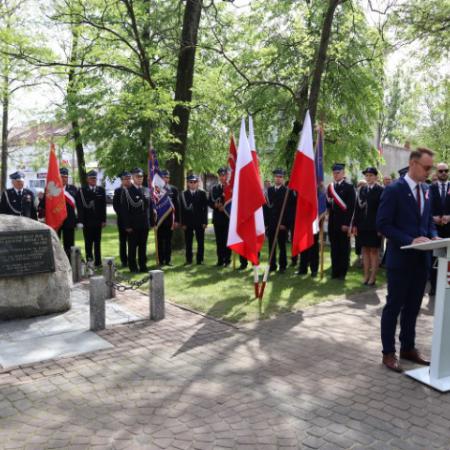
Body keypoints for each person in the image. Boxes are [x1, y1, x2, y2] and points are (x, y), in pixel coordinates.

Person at [376, 147, 438, 372]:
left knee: (413, 307)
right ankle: (388, 353)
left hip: (421, 261)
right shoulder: (395, 190)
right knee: (394, 306)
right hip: (400, 260)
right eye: (427, 167)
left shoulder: (427, 190)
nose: (429, 172)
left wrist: (434, 235)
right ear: (413, 163)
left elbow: (428, 221)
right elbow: (383, 224)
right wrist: (411, 239)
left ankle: (408, 347)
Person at [353, 167, 383, 286]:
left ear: (376, 177)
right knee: (364, 250)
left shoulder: (381, 190)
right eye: (367, 175)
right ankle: (365, 276)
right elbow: (357, 209)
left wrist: (381, 227)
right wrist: (355, 225)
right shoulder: (362, 190)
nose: (368, 177)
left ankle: (373, 277)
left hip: (374, 226)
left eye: (371, 175)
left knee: (374, 251)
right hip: (362, 226)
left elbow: (382, 210)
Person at [120, 168, 153, 273]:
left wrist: (152, 222)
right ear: (133, 178)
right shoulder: (127, 192)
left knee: (143, 247)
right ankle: (133, 267)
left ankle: (143, 265)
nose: (140, 179)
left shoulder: (147, 190)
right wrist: (127, 226)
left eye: (141, 176)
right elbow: (125, 211)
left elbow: (150, 208)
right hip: (133, 225)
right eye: (137, 177)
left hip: (144, 224)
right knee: (132, 247)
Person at [326, 163, 356, 280]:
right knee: (334, 248)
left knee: (343, 248)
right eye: (334, 173)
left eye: (338, 172)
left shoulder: (349, 187)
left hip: (343, 223)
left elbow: (351, 207)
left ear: (343, 173)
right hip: (332, 223)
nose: (335, 175)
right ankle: (335, 271)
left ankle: (342, 272)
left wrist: (346, 224)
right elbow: (329, 204)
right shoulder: (331, 187)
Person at [264, 168, 292, 273]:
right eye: (276, 176)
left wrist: (285, 224)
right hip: (271, 223)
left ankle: (283, 266)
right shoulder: (269, 191)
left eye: (280, 177)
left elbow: (289, 210)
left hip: (282, 224)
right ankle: (272, 265)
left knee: (282, 245)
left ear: (283, 178)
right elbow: (266, 208)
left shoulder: (287, 191)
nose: (278, 178)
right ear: (274, 178)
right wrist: (266, 224)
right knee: (271, 245)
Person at [76, 170, 106, 268]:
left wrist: (104, 220)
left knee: (97, 243)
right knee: (88, 243)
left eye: (95, 178)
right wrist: (80, 221)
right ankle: (90, 261)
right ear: (87, 179)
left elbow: (103, 206)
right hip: (87, 221)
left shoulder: (101, 190)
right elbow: (80, 207)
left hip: (98, 221)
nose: (93, 180)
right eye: (91, 178)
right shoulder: (82, 191)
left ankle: (98, 262)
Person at [429, 162, 450, 296]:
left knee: (448, 258)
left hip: (449, 229)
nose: (443, 173)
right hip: (435, 229)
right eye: (440, 171)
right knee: (434, 258)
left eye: (445, 171)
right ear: (436, 172)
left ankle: (447, 286)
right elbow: (426, 207)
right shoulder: (431, 188)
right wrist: (432, 217)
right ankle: (434, 286)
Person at [297, 184, 327, 277]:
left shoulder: (320, 194)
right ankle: (303, 268)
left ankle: (314, 269)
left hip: (314, 223)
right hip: (304, 223)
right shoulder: (303, 193)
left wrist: (318, 219)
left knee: (313, 248)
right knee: (303, 247)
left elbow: (322, 209)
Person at [179, 174, 208, 265]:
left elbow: (205, 209)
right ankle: (189, 260)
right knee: (188, 242)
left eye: (195, 182)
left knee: (200, 242)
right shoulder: (183, 194)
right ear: (187, 183)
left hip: (200, 222)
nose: (193, 184)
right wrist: (183, 223)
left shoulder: (202, 193)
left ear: (198, 183)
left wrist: (205, 221)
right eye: (191, 182)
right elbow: (181, 210)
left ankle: (200, 260)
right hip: (188, 222)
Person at [209, 168, 231, 267]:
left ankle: (227, 260)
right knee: (219, 240)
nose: (223, 177)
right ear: (218, 176)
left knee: (227, 240)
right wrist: (215, 206)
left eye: (224, 175)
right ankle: (220, 260)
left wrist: (224, 208)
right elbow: (210, 201)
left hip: (227, 218)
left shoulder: (231, 188)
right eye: (221, 175)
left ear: (227, 176)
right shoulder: (214, 188)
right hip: (217, 218)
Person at [157, 169, 180, 266]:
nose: (166, 179)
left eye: (167, 177)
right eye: (164, 177)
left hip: (170, 220)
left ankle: (168, 260)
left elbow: (177, 205)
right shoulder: (156, 189)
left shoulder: (173, 189)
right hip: (159, 220)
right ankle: (160, 260)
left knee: (168, 241)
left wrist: (177, 220)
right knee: (159, 241)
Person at [58, 168, 78, 261]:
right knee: (56, 244)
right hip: (56, 221)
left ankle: (69, 262)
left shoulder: (73, 188)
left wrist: (79, 220)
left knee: (69, 244)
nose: (64, 179)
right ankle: (57, 262)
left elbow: (78, 206)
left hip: (69, 221)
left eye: (65, 177)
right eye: (61, 176)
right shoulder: (51, 187)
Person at [113, 171, 132, 268]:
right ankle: (124, 260)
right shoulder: (118, 191)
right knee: (123, 241)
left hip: (133, 221)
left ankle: (131, 260)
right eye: (126, 179)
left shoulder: (134, 190)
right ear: (122, 180)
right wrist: (124, 217)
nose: (128, 181)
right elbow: (116, 207)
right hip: (122, 221)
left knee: (132, 242)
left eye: (129, 178)